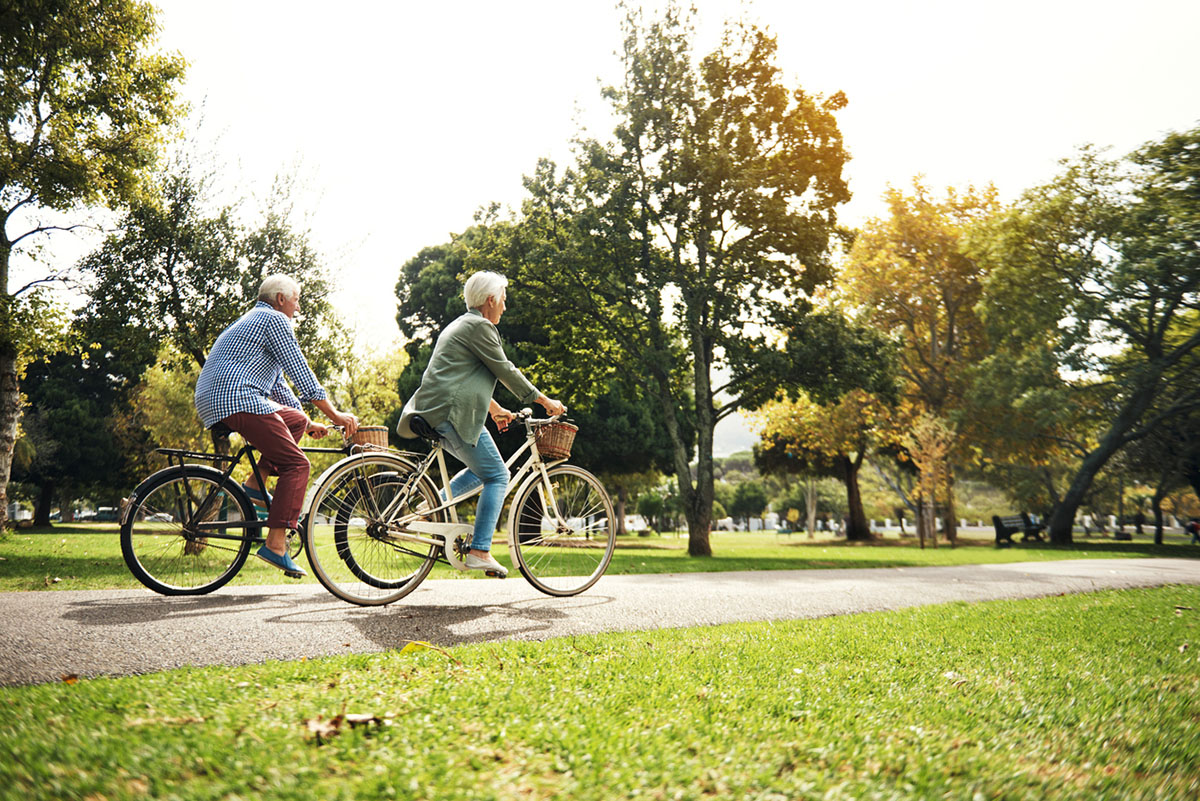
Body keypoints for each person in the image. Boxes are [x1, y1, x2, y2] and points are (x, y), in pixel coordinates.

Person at [397, 271, 565, 578]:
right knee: (498, 476)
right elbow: (505, 369)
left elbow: (462, 376)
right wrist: (544, 401)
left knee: (480, 471)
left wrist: (497, 409)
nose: (504, 306)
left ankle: (428, 508)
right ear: (490, 300)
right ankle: (480, 550)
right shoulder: (480, 326)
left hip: (439, 410)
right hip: (451, 413)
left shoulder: (461, 325)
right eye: (503, 299)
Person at [194, 275, 359, 577]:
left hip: (218, 397)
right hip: (237, 397)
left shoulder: (254, 321)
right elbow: (302, 372)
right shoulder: (274, 321)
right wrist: (336, 415)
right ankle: (275, 544)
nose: (298, 307)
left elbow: (279, 385)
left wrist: (308, 422)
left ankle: (256, 488)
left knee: (294, 420)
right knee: (298, 466)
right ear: (281, 299)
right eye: (296, 299)